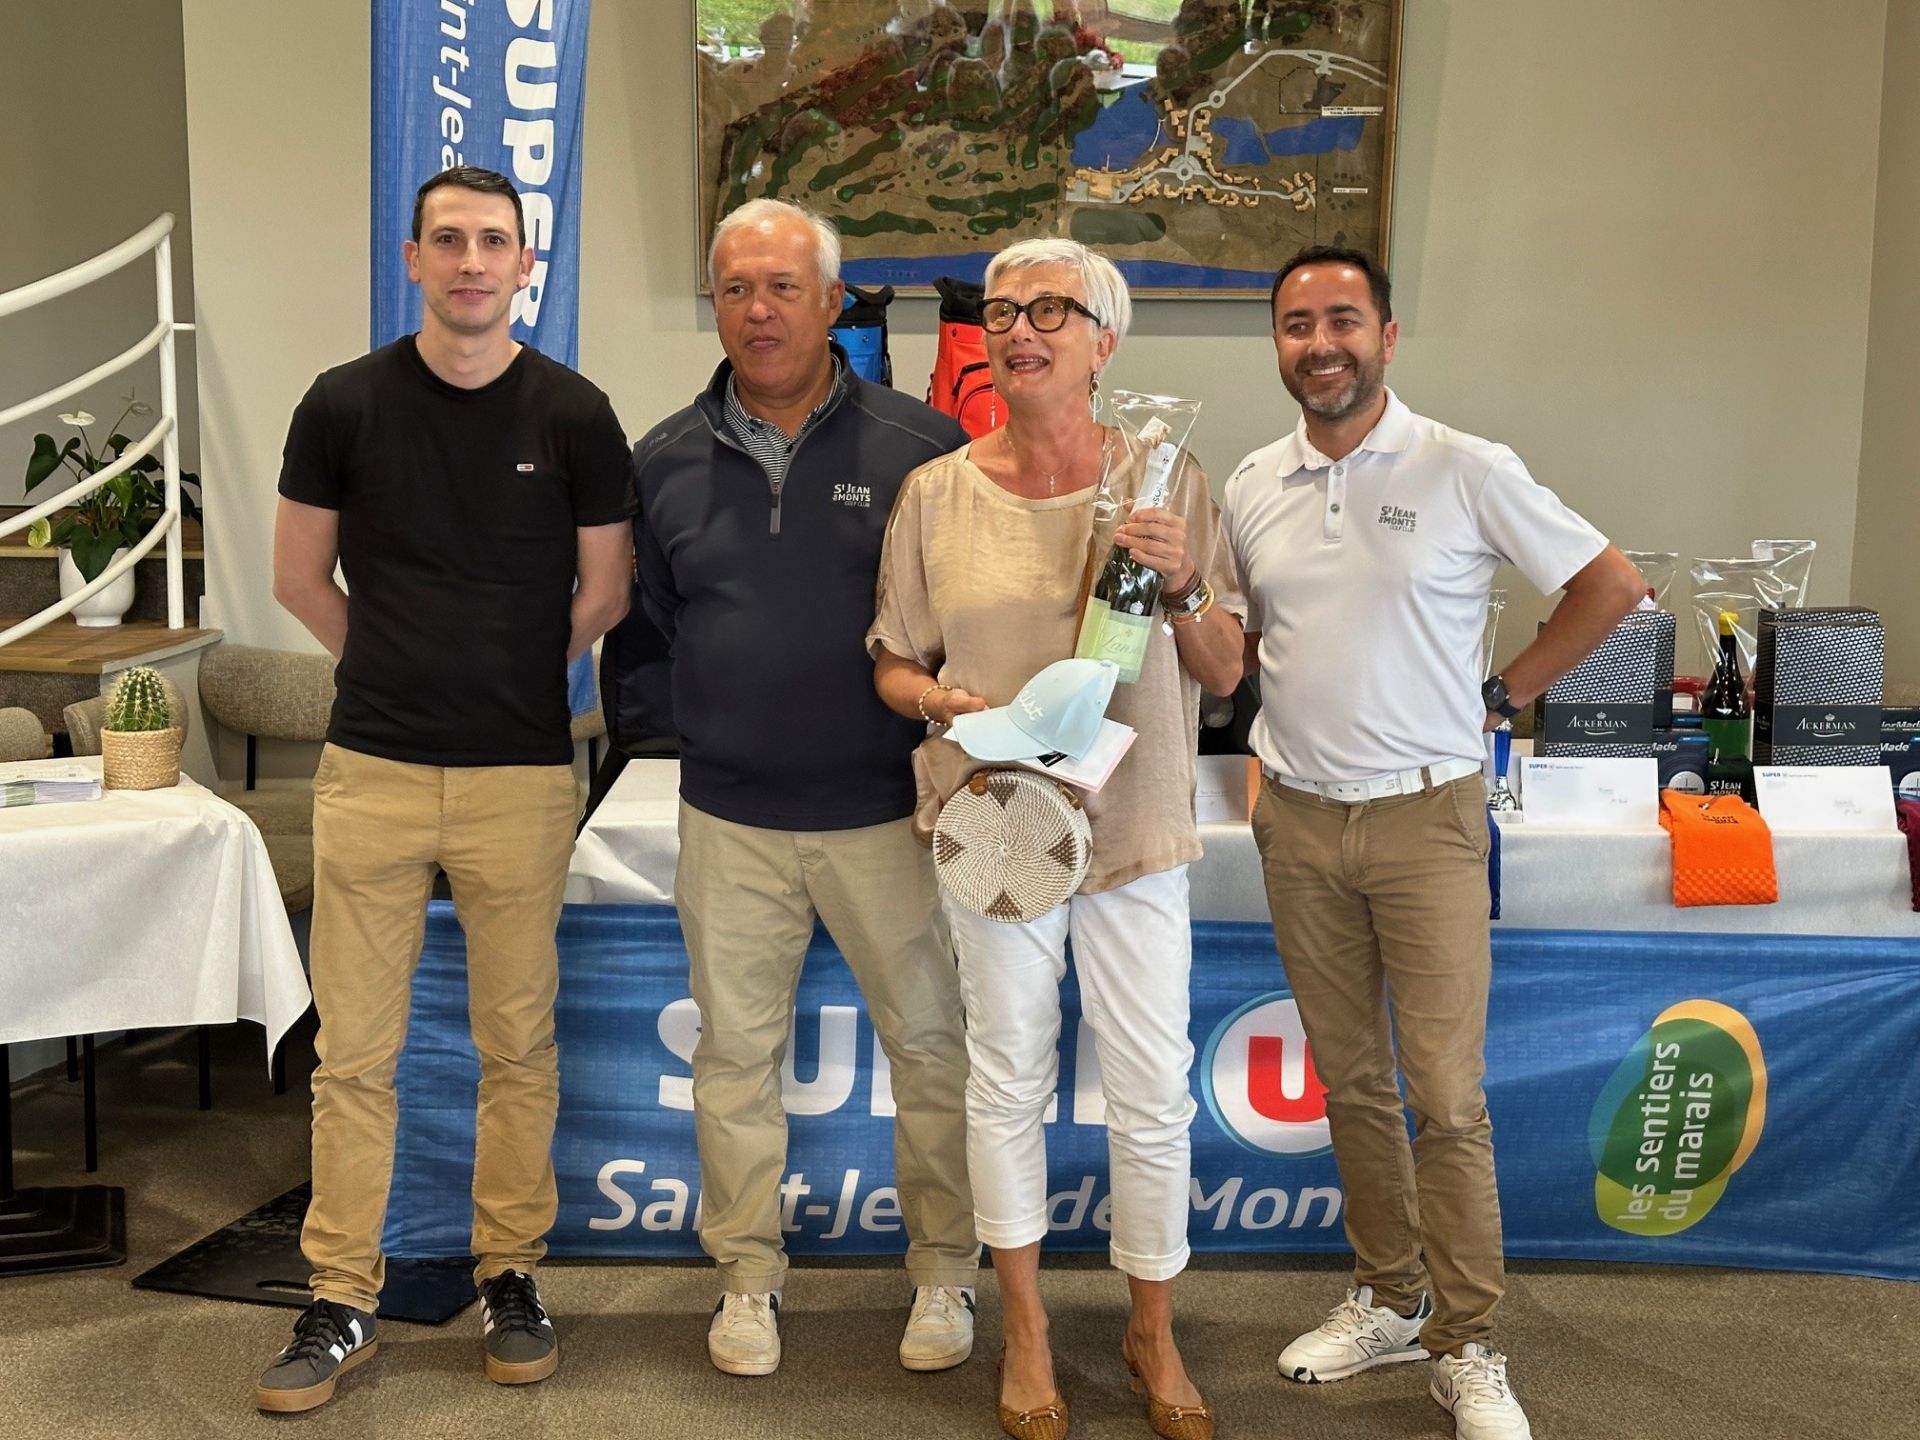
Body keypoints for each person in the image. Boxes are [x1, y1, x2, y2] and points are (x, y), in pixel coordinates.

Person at [1221, 245, 1645, 1440]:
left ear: (1388, 336)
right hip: (1300, 818)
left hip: (1428, 817)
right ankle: (1390, 1298)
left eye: (1343, 320)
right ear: (1278, 344)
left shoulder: (1466, 466)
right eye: (1297, 324)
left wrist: (1505, 694)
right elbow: (1242, 647)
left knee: (1447, 1099)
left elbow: (1611, 586)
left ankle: (1468, 1343)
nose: (1321, 344)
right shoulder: (1252, 481)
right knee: (1351, 1083)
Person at [257, 166, 634, 1412]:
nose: (473, 261)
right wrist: (392, 664)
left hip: (518, 776)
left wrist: (508, 675)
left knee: (516, 1045)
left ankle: (509, 1273)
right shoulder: (343, 403)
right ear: (413, 256)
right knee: (354, 1055)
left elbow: (607, 592)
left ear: (526, 264)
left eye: (495, 242)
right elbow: (299, 578)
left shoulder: (574, 413)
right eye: (450, 240)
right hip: (371, 769)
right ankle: (340, 1296)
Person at [870, 237, 1246, 1440]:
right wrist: (939, 703)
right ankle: (1024, 1327)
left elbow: (1224, 670)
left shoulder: (1167, 480)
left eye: (1051, 310)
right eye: (1002, 311)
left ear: (1104, 342)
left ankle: (1152, 1328)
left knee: (1151, 1090)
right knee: (1007, 1078)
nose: (1020, 330)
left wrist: (1183, 587)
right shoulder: (935, 493)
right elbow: (892, 662)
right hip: (997, 832)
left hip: (1132, 826)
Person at [629, 198, 979, 1378]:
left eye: (783, 287)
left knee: (931, 1050)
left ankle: (944, 1273)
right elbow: (661, 619)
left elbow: (953, 618)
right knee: (734, 1061)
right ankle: (746, 1280)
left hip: (888, 815)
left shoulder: (922, 447)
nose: (759, 311)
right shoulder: (662, 460)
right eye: (735, 289)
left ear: (833, 302)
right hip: (729, 817)